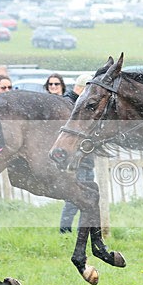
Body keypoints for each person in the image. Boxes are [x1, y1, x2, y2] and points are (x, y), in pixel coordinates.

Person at [60, 73, 95, 233]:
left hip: (84, 158)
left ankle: (81, 229)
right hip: (75, 158)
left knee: (86, 195)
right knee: (75, 196)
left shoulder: (75, 103)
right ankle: (65, 230)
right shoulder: (69, 105)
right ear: (81, 88)